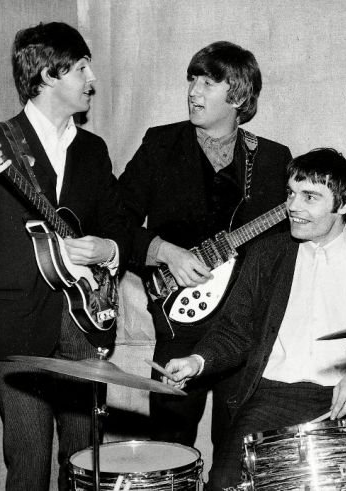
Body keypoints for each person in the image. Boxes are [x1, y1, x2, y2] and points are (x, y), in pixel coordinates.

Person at [0, 22, 130, 491]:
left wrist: (108, 249)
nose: (92, 78)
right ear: (47, 74)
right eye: (82, 66)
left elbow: (117, 225)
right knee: (27, 468)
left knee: (86, 466)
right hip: (17, 327)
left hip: (87, 323)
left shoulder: (93, 149)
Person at [165, 148, 346, 491]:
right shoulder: (266, 254)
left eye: (309, 197)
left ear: (343, 205)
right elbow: (234, 330)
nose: (293, 206)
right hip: (272, 396)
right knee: (222, 483)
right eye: (291, 194)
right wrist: (198, 360)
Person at [118, 41, 292, 449]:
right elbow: (114, 221)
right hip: (177, 318)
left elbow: (284, 246)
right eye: (192, 79)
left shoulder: (270, 158)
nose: (193, 91)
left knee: (239, 448)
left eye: (208, 82)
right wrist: (162, 250)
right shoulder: (161, 145)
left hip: (244, 325)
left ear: (239, 95)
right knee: (168, 448)